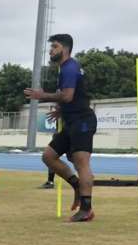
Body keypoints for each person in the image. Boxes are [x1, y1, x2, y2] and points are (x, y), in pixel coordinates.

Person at [24, 34, 96, 223]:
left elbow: (67, 96)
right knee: (48, 156)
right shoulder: (64, 68)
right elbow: (69, 98)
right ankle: (77, 186)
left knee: (81, 163)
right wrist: (60, 110)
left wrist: (42, 95)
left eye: (54, 47)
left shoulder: (70, 68)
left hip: (83, 120)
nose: (51, 51)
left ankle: (86, 209)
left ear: (64, 49)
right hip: (71, 121)